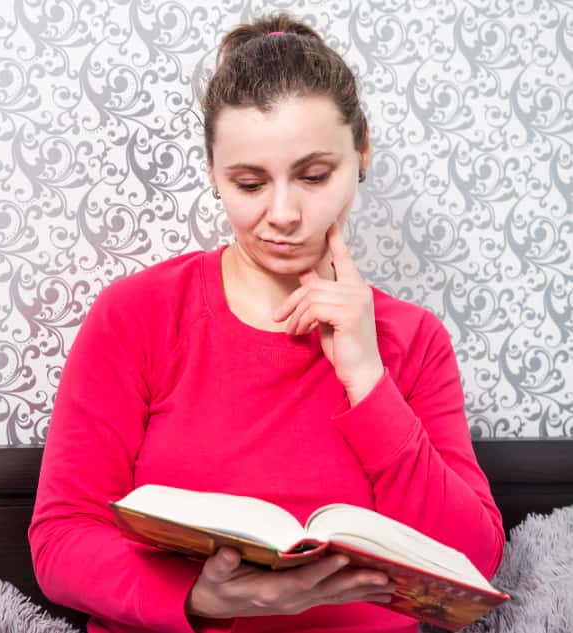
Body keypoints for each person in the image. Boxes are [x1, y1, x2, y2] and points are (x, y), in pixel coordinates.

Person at [27, 12, 505, 633]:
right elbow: (61, 541)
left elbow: (474, 564)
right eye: (250, 183)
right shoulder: (137, 315)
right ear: (213, 172)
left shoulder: (414, 340)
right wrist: (202, 598)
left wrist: (367, 379)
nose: (283, 214)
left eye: (313, 176)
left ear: (361, 151)